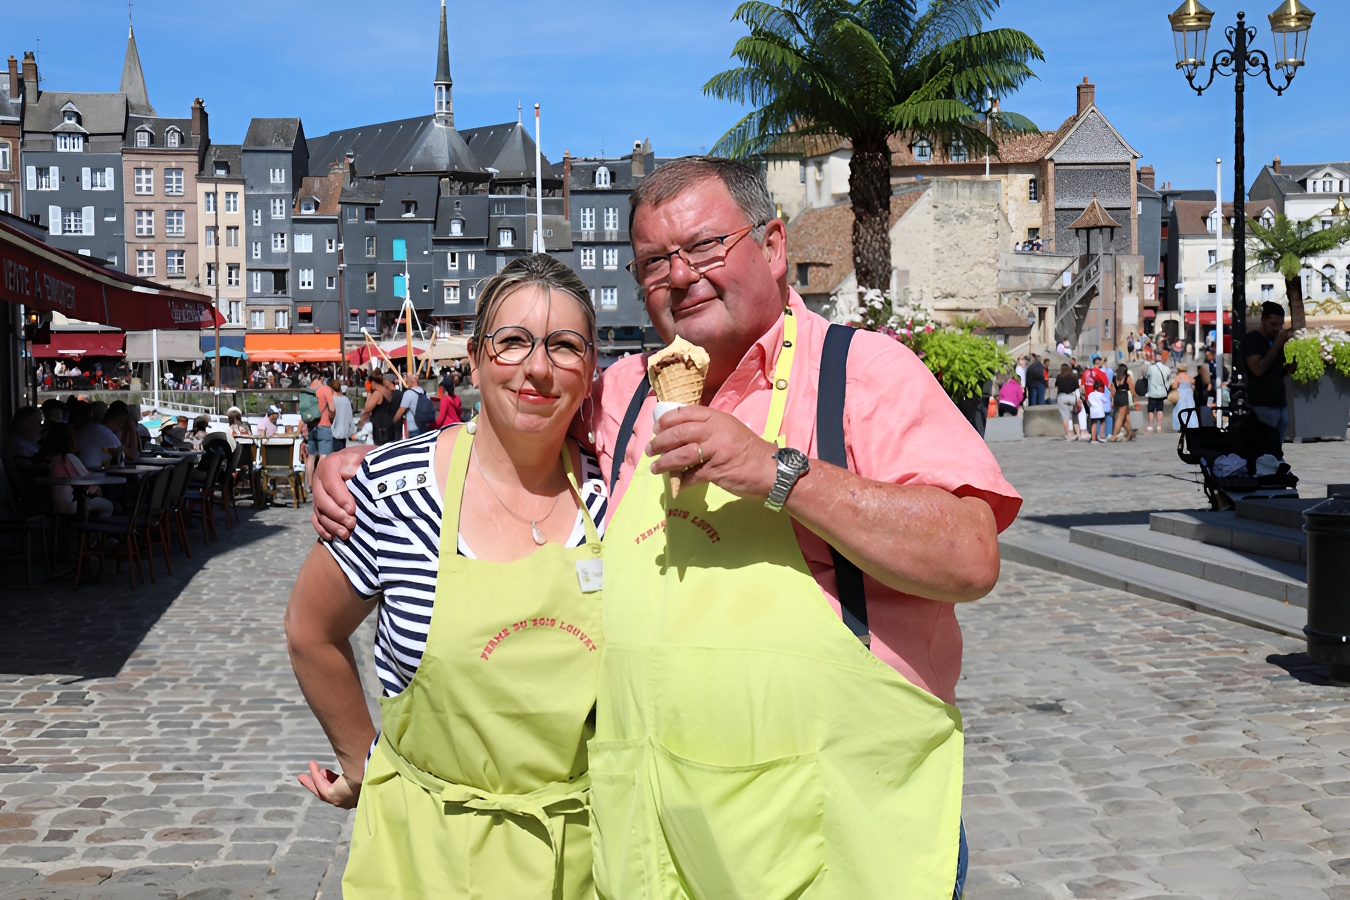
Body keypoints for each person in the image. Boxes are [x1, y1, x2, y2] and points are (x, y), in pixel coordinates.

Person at [315, 156, 1020, 896]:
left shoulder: (861, 373)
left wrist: (782, 473)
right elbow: (520, 413)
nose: (681, 276)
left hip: (832, 840)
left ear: (774, 247)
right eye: (655, 262)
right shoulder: (623, 394)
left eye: (706, 246)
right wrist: (376, 458)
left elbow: (970, 554)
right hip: (663, 851)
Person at [286, 255, 608, 897]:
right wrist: (362, 760)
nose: (537, 368)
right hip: (422, 854)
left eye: (564, 347)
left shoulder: (618, 493)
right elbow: (310, 631)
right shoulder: (390, 489)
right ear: (477, 356)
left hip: (578, 856)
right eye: (513, 341)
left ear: (591, 369)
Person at [1241, 301, 1293, 441]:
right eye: (1273, 324)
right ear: (1263, 320)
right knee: (1264, 447)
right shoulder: (1253, 340)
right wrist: (1278, 342)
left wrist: (1290, 367)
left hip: (1279, 403)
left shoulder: (1275, 341)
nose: (1277, 329)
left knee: (1276, 449)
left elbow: (1277, 370)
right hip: (1262, 404)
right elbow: (1258, 369)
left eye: (1280, 325)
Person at [40, 425, 114, 518]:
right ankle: (95, 530)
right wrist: (97, 489)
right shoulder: (68, 458)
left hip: (58, 504)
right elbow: (87, 479)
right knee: (109, 506)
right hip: (75, 504)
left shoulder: (53, 459)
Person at [305, 375, 337, 489]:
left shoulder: (308, 390)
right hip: (323, 425)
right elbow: (332, 408)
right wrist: (332, 416)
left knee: (311, 455)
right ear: (322, 377)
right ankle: (318, 482)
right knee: (324, 456)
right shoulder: (325, 389)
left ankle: (309, 483)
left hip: (311, 425)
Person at [358, 372, 398, 446]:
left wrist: (369, 392)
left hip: (381, 427)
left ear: (372, 382)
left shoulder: (377, 394)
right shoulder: (387, 391)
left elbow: (367, 408)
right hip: (389, 424)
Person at [392, 372, 429, 440]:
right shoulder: (423, 391)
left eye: (408, 380)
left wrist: (393, 421)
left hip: (413, 427)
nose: (406, 381)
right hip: (424, 426)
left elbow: (401, 410)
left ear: (412, 381)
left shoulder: (408, 393)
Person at [1143, 356, 1172, 433]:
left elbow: (1146, 376)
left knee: (1151, 410)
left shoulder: (1151, 368)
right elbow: (1168, 379)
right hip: (1162, 392)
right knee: (1160, 410)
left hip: (1152, 392)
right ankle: (1159, 427)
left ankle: (1150, 427)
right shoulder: (1166, 369)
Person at [1054, 363, 1083, 441]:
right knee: (1075, 415)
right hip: (1072, 397)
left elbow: (1056, 385)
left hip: (1062, 396)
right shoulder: (1074, 377)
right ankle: (1078, 433)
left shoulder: (1059, 376)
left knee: (1065, 417)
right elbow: (1077, 387)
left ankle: (1068, 434)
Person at [1109, 365, 1136, 441]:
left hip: (1117, 396)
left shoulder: (1114, 378)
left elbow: (1112, 390)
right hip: (1124, 396)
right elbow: (1132, 389)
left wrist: (1113, 400)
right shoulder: (1127, 377)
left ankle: (1130, 433)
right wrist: (1135, 399)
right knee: (1121, 418)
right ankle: (1114, 435)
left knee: (1126, 417)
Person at [1171, 363, 1197, 433]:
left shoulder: (1178, 377)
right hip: (1189, 393)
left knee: (1180, 409)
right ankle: (1191, 424)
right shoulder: (1188, 376)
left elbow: (1174, 386)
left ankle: (1180, 425)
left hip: (1181, 393)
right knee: (1190, 408)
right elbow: (1192, 385)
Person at [330, 381, 355, 451]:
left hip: (332, 432)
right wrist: (351, 431)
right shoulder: (346, 400)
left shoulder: (331, 400)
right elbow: (350, 417)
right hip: (343, 432)